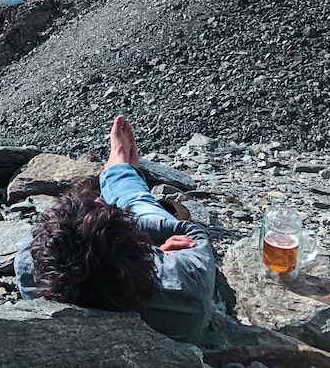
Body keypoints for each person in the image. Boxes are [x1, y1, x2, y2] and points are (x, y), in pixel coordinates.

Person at [13, 115, 216, 345]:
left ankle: (118, 172)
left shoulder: (29, 268)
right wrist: (147, 247)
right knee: (139, 205)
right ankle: (120, 172)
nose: (100, 200)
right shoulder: (186, 284)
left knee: (86, 221)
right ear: (137, 256)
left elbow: (45, 233)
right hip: (142, 252)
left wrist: (113, 230)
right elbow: (188, 231)